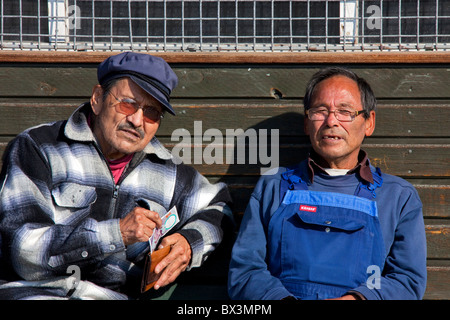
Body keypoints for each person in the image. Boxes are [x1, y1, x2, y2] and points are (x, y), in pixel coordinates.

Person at [0, 52, 233, 300]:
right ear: (97, 98)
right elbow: (22, 249)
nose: (137, 120)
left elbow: (219, 209)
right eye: (127, 104)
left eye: (152, 112)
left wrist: (188, 242)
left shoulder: (167, 169)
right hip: (37, 293)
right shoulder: (40, 148)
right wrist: (116, 234)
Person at [228, 67, 427, 300]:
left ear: (369, 122)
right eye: (320, 111)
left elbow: (408, 280)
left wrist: (358, 299)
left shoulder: (398, 198)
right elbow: (245, 272)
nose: (331, 121)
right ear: (306, 123)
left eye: (345, 111)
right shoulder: (273, 187)